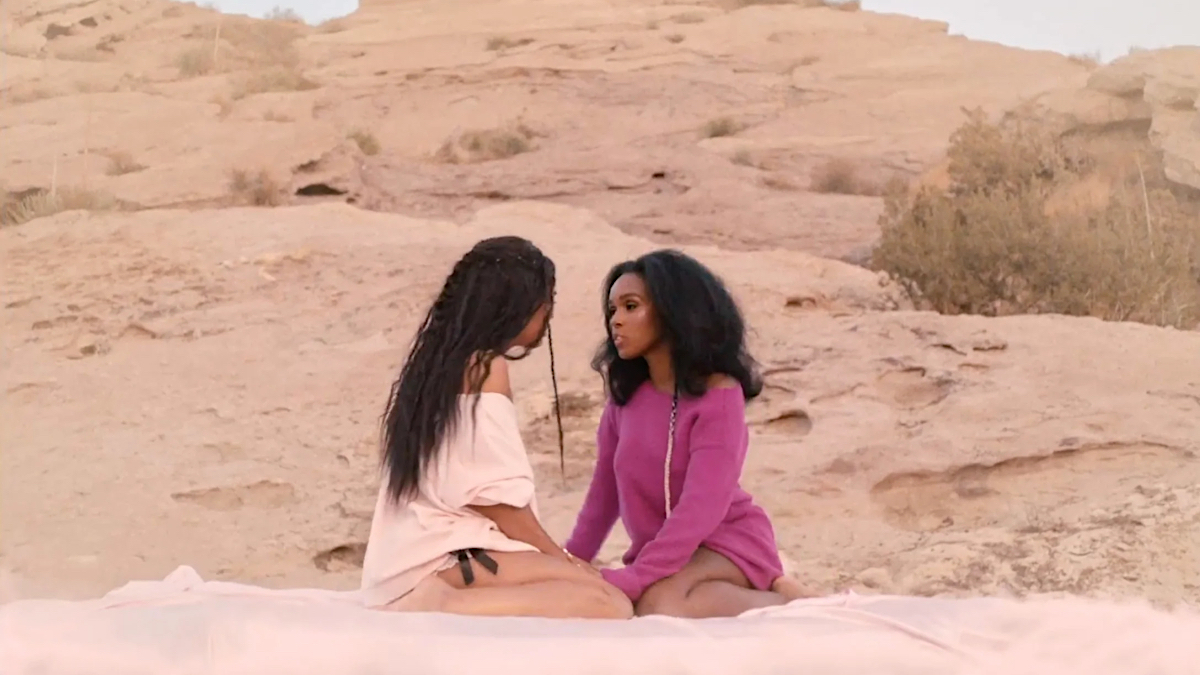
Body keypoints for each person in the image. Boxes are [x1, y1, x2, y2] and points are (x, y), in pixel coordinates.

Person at [359, 235, 633, 620]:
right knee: (607, 603)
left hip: (407, 559)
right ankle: (443, 603)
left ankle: (442, 598)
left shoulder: (434, 366)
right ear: (521, 305)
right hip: (439, 560)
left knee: (591, 589)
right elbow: (495, 501)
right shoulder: (486, 367)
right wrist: (560, 558)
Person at [564, 249, 808, 618]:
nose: (616, 321)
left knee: (659, 605)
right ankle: (772, 585)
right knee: (638, 599)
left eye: (631, 306)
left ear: (672, 310)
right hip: (664, 554)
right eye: (612, 310)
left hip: (727, 542)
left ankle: (788, 602)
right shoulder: (624, 401)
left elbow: (701, 507)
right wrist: (570, 563)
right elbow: (604, 494)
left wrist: (639, 576)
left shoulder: (720, 395)